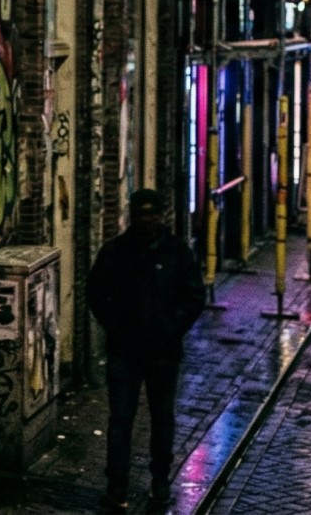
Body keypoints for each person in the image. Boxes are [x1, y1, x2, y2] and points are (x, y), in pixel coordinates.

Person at [86, 188, 206, 513]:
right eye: (142, 214)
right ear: (133, 216)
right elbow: (95, 293)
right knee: (121, 419)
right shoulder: (116, 253)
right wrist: (116, 325)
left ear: (162, 215)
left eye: (153, 214)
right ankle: (117, 486)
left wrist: (171, 327)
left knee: (161, 417)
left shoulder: (177, 253)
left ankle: (160, 480)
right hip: (124, 351)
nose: (147, 220)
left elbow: (195, 295)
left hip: (162, 352)